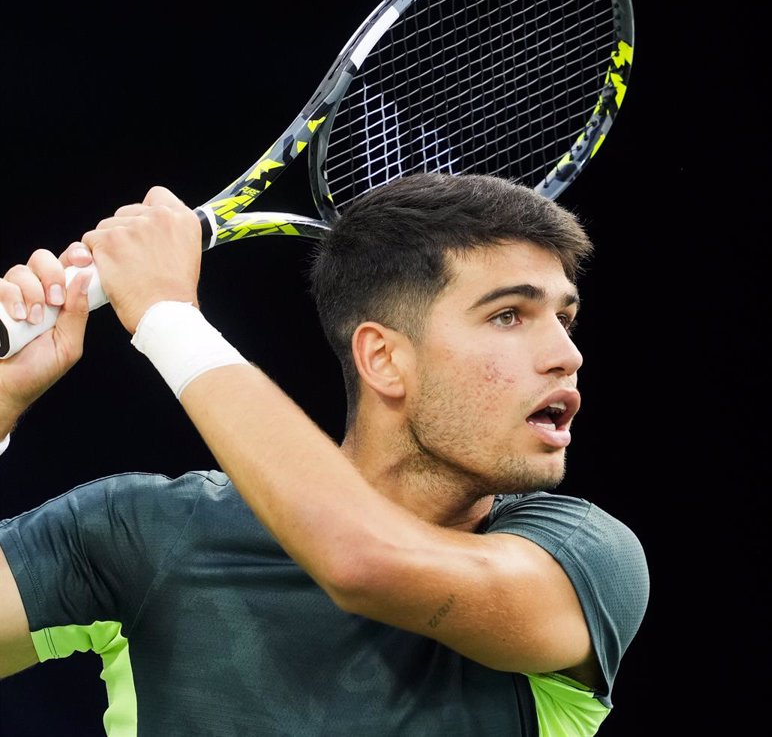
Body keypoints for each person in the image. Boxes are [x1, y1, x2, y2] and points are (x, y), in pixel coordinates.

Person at [0, 175, 649, 736]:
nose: (567, 354)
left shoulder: (584, 558)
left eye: (565, 318)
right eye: (509, 315)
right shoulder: (142, 530)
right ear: (383, 359)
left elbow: (359, 558)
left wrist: (168, 316)